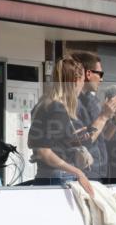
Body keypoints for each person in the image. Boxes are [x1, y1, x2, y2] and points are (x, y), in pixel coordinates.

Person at [26, 58, 96, 196]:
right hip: (58, 178)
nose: (83, 85)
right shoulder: (57, 108)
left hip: (47, 176)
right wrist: (78, 172)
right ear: (75, 81)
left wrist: (70, 140)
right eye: (83, 80)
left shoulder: (44, 104)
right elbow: (43, 151)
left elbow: (36, 142)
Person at [71, 51, 116, 182]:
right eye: (100, 74)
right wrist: (104, 116)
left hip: (100, 172)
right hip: (84, 173)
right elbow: (83, 141)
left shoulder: (93, 101)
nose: (101, 79)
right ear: (88, 74)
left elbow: (103, 137)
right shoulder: (72, 103)